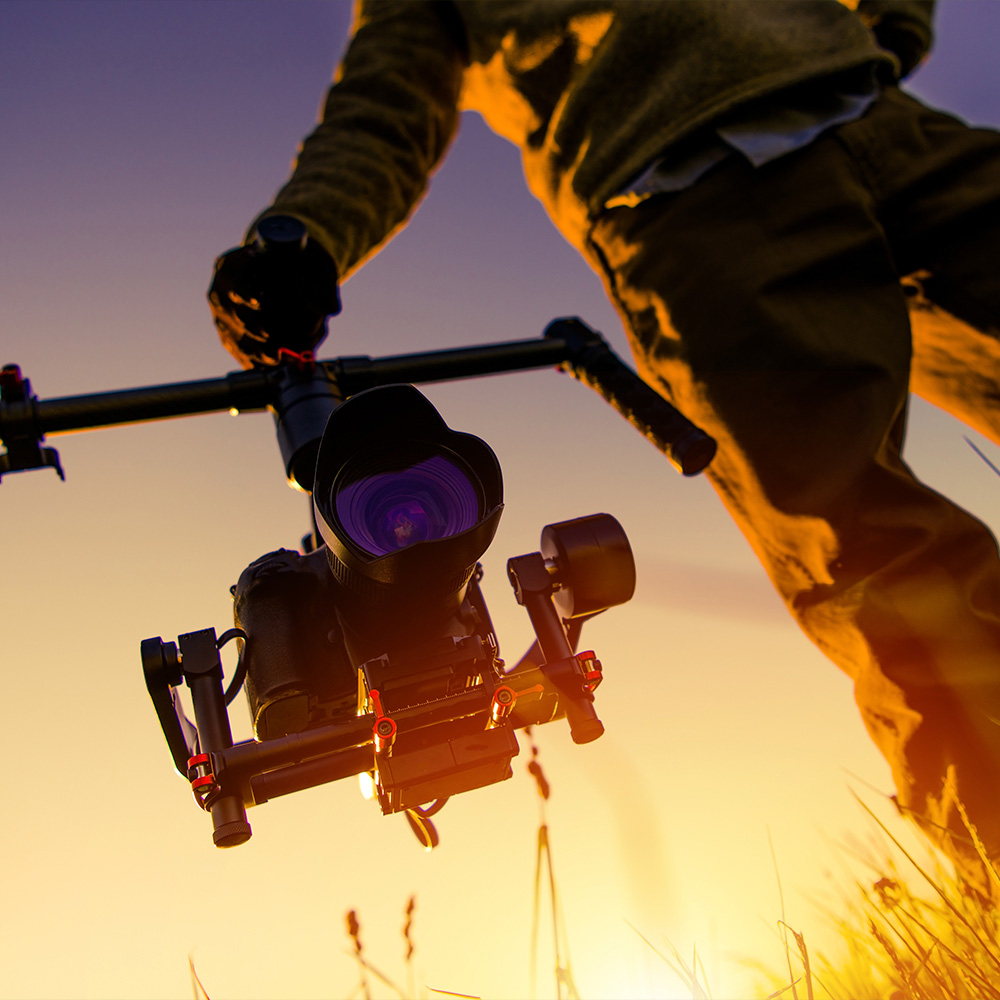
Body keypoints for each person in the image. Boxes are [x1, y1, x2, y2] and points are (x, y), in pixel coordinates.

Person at [208, 0, 1000, 896]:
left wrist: (885, 27)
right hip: (688, 195)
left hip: (891, 124)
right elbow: (385, 100)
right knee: (874, 556)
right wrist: (302, 238)